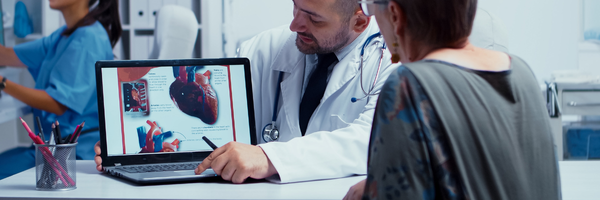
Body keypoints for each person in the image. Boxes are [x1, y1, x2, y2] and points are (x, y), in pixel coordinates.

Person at [95, 0, 399, 183]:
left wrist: (268, 157)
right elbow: (220, 123)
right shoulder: (267, 47)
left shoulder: (392, 61)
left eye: (313, 17)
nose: (295, 24)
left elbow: (369, 143)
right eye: (295, 6)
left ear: (361, 19)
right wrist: (130, 150)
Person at [344, 0, 561, 199]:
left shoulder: (408, 85)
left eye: (371, 9)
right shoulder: (522, 73)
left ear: (395, 15)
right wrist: (383, 181)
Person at [0, 0, 121, 180]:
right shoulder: (64, 34)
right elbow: (7, 55)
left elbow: (57, 104)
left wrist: (3, 83)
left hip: (72, 157)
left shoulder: (89, 38)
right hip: (53, 148)